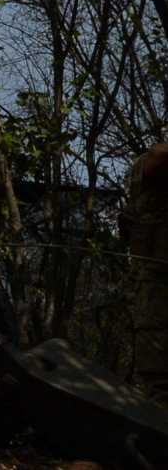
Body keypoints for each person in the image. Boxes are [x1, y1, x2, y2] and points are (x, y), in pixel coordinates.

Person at [124, 140, 168, 404]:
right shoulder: (148, 166)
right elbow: (156, 159)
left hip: (154, 286)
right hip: (154, 289)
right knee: (158, 385)